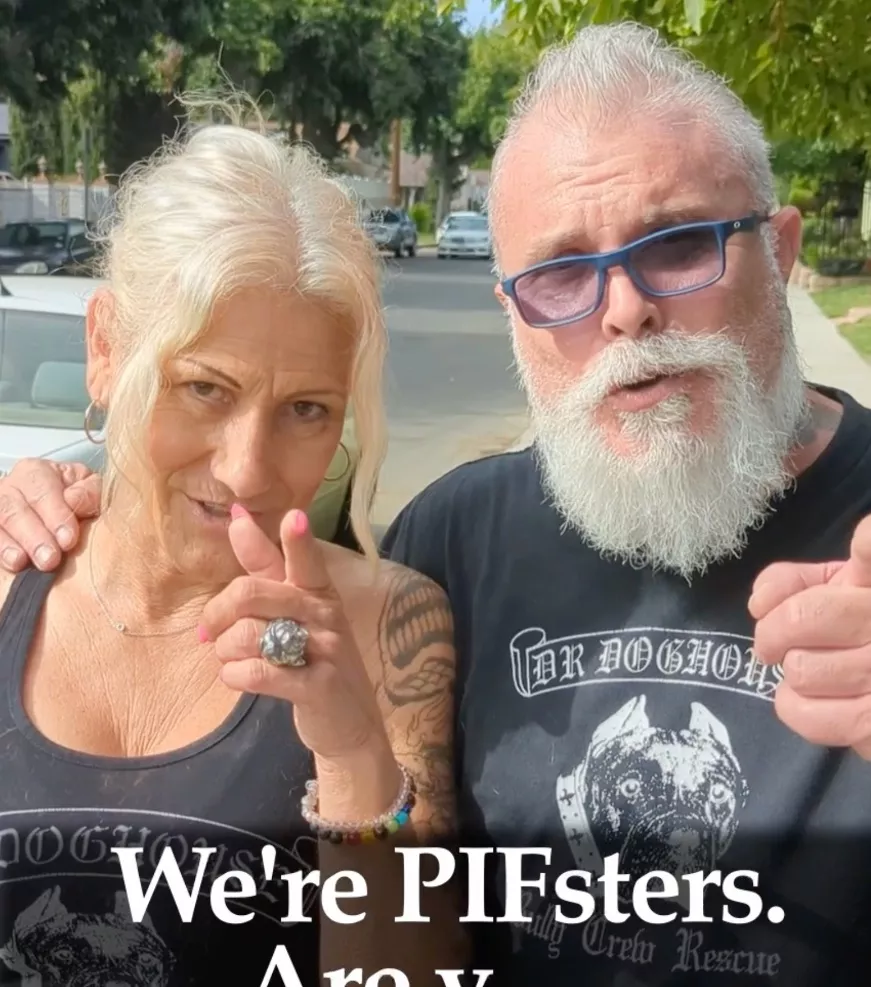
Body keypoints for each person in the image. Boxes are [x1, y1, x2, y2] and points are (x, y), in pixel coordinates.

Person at [3, 22, 871, 987]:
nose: (625, 308)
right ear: (513, 315)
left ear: (779, 251)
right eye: (561, 273)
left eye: (675, 246)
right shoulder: (456, 538)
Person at [0, 93, 464, 986]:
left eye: (306, 409)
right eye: (204, 388)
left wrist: (352, 752)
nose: (248, 468)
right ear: (105, 349)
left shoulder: (385, 626)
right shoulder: (11, 571)